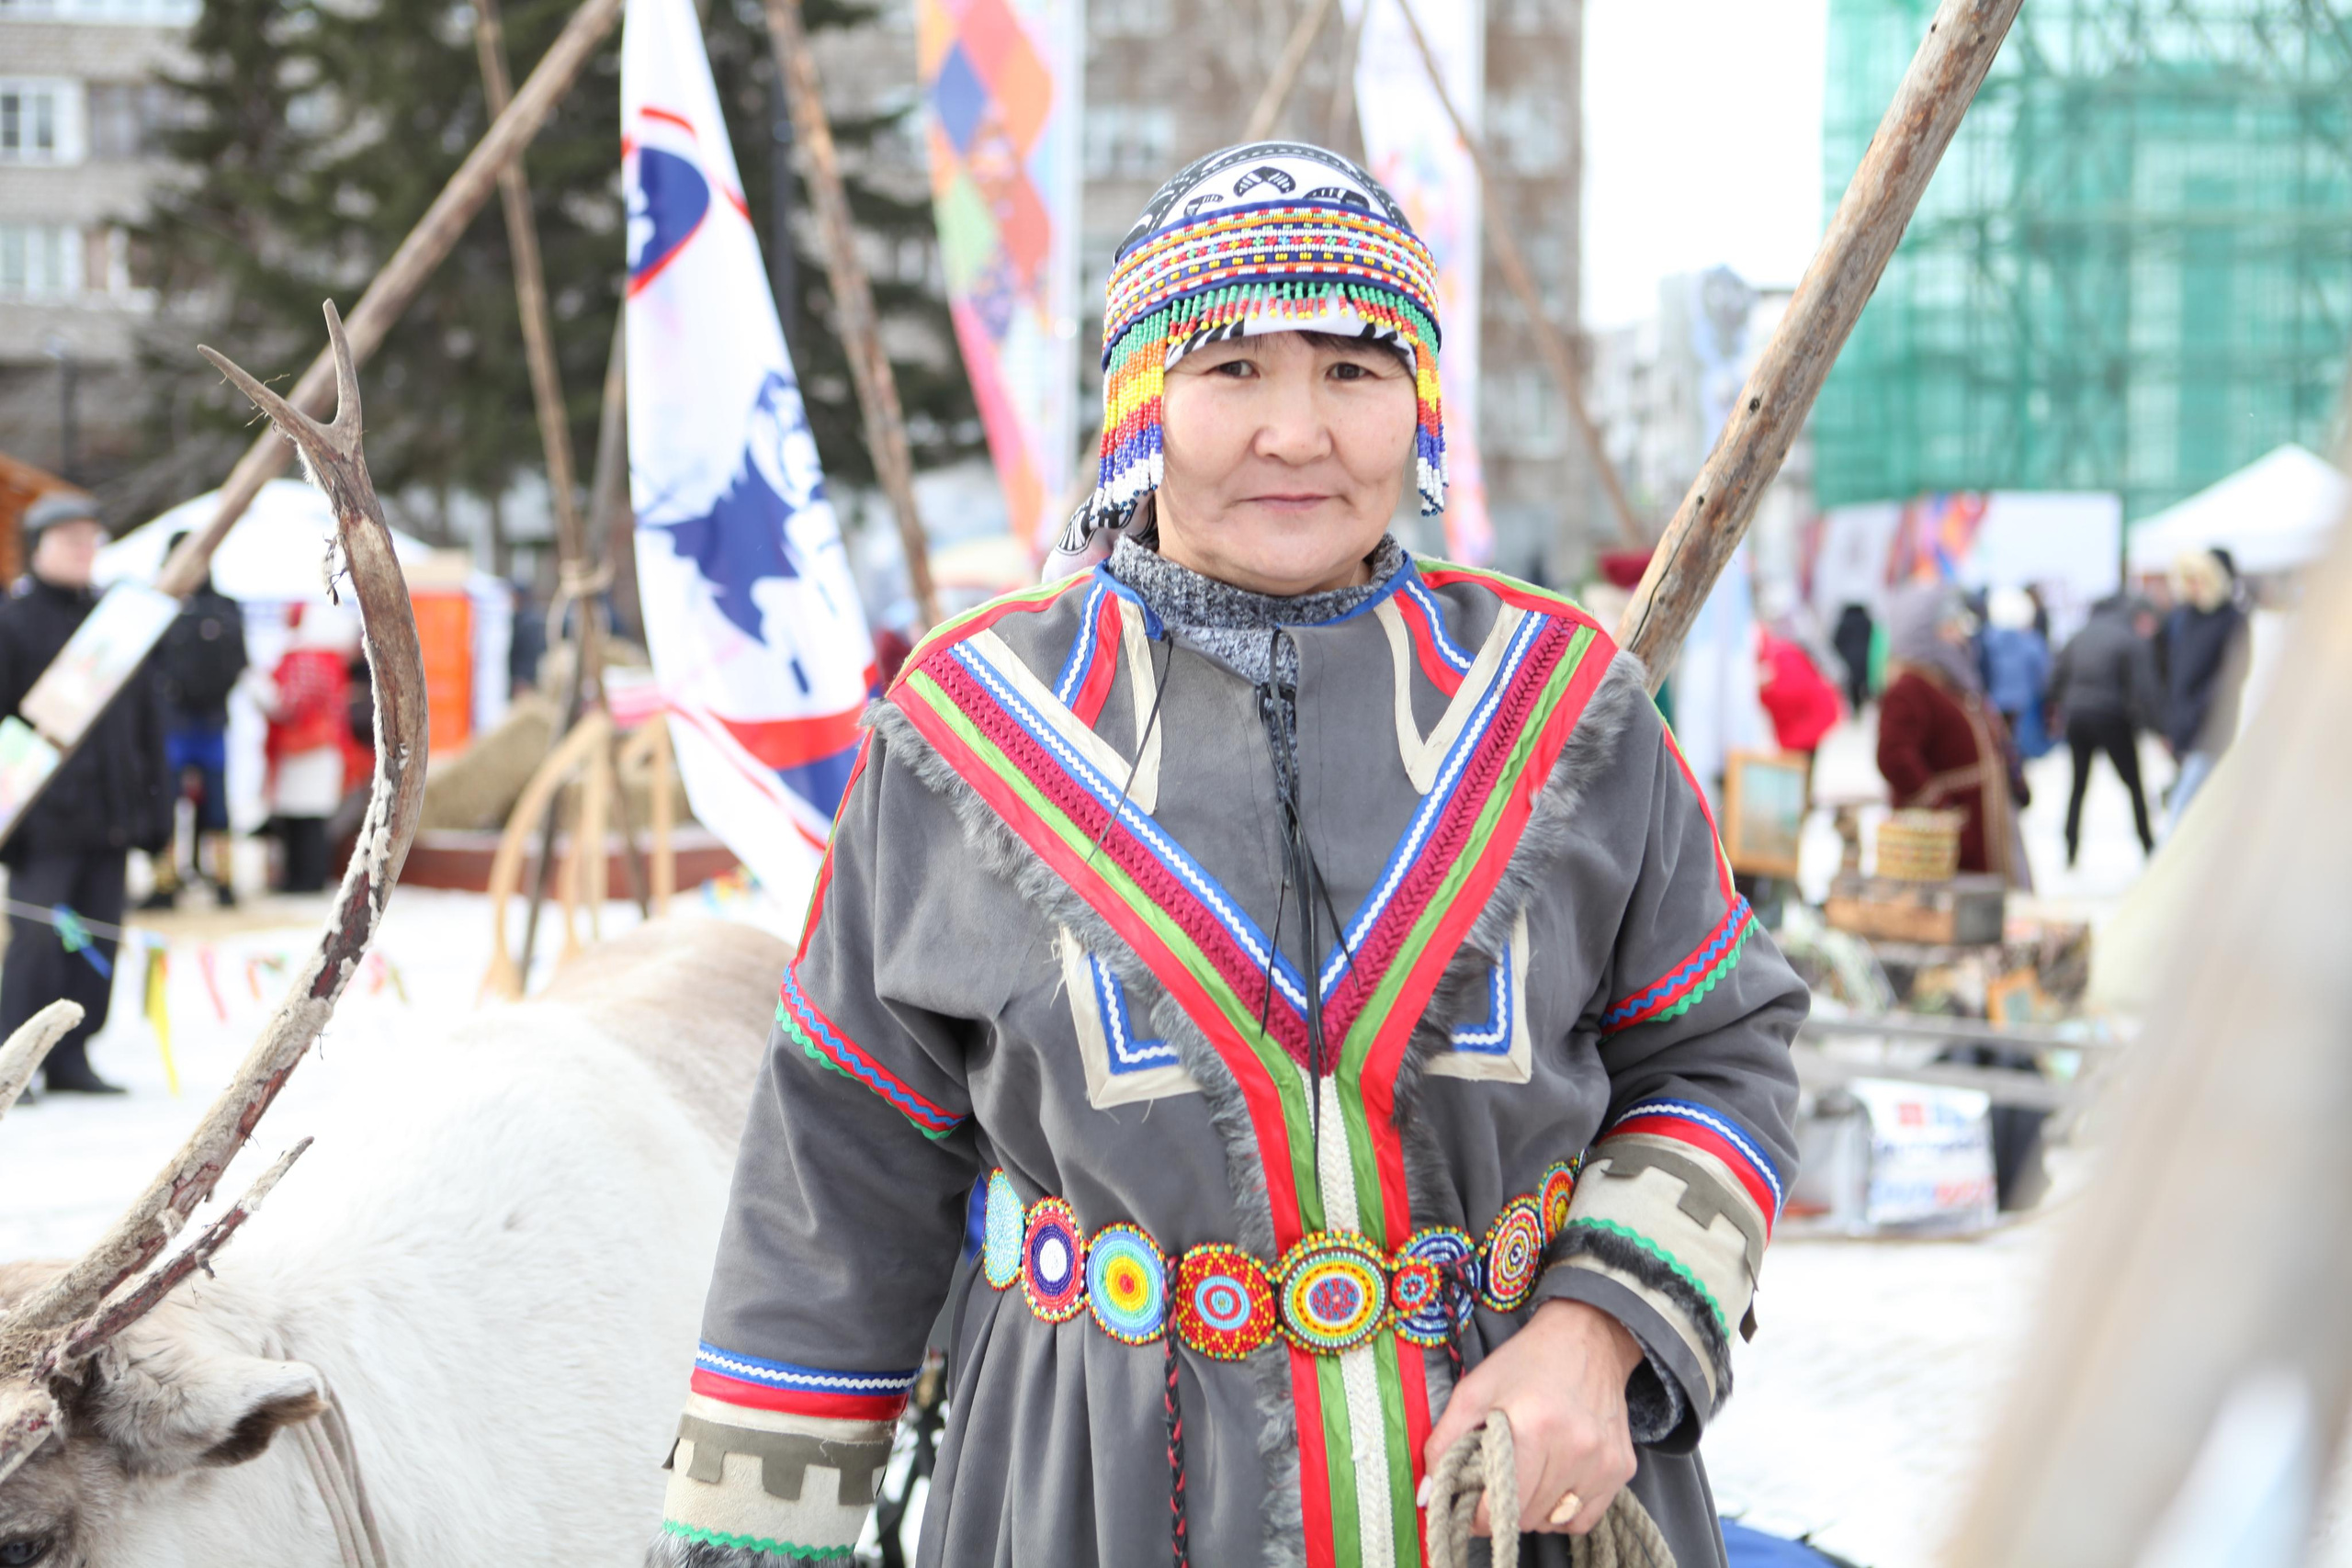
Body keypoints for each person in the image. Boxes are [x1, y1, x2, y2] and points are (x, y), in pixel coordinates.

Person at [654, 142, 1806, 1568]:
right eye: (1233, 369)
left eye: (1353, 369)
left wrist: (1597, 1330)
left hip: (1526, 1511)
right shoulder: (961, 740)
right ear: (1141, 402)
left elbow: (1726, 1051)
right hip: (1092, 1495)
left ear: (1420, 405)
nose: (1298, 431)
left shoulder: (1567, 706)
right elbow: (832, 1191)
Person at [0, 491, 172, 1094]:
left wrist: (157, 807)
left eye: (89, 537)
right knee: (39, 943)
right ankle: (13, 1062)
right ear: (36, 547)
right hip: (42, 821)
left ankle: (72, 1057)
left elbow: (149, 719)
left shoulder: (117, 619)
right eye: (68, 539)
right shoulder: (11, 620)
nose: (83, 549)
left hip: (113, 813)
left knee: (98, 939)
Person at [1875, 581, 2030, 885]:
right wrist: (1940, 807)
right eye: (1948, 625)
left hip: (1979, 824)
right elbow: (1893, 755)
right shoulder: (1910, 686)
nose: (1958, 634)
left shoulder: (1949, 680)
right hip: (1949, 841)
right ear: (1922, 630)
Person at [142, 532, 247, 908]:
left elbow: (239, 661)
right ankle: (165, 883)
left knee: (217, 807)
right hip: (168, 726)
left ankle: (222, 879)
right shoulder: (153, 606)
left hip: (211, 723)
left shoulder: (225, 608)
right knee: (163, 803)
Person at [2046, 592, 2159, 864]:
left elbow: (2055, 677)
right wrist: (2158, 726)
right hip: (2112, 717)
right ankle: (2148, 845)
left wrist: (2059, 706)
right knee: (2133, 785)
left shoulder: (2079, 634)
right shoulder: (2127, 637)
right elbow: (2146, 688)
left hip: (2077, 716)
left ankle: (2070, 847)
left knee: (2078, 785)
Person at [262, 605, 354, 894]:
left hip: (302, 751)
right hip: (322, 749)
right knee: (310, 819)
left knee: (302, 821)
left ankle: (303, 879)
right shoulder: (330, 657)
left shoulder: (303, 659)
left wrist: (260, 693)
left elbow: (289, 704)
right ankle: (306, 877)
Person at [2160, 547, 2246, 835]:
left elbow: (2230, 678)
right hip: (2183, 727)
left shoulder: (2231, 620)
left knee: (2182, 806)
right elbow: (2171, 672)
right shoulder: (2183, 618)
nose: (2194, 587)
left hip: (2212, 727)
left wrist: (2198, 714)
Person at [1980, 585, 2051, 761]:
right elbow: (2044, 675)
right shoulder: (2032, 641)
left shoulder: (1985, 640)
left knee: (1999, 752)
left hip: (1993, 703)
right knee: (2020, 754)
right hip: (2024, 705)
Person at [1831, 602, 1874, 714]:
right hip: (1866, 663)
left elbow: (1835, 643)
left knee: (1852, 691)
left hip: (1849, 663)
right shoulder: (1868, 622)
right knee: (1865, 691)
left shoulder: (1844, 622)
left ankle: (1856, 712)